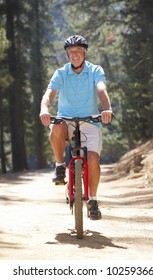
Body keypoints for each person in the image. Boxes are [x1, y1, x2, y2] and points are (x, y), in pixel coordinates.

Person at [39, 35, 113, 220]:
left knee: (93, 160)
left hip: (90, 121)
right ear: (67, 55)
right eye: (71, 52)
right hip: (66, 121)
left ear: (85, 53)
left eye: (78, 50)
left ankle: (93, 200)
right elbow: (49, 94)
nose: (74, 54)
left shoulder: (95, 70)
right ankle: (59, 166)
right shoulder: (61, 73)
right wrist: (44, 109)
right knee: (56, 127)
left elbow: (101, 89)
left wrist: (107, 108)